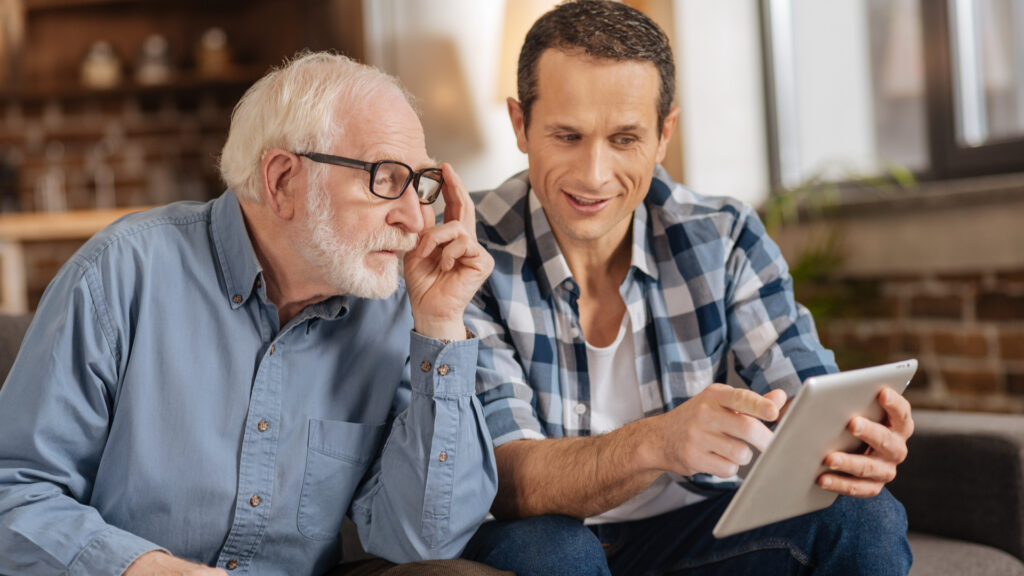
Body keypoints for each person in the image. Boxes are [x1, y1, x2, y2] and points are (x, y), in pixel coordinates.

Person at [0, 52, 506, 576]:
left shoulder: (396, 312)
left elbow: (424, 543)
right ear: (283, 180)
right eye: (385, 178)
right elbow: (14, 492)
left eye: (420, 184)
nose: (415, 219)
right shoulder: (122, 274)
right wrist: (146, 569)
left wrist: (443, 327)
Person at [460, 2, 915, 575]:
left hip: (694, 532)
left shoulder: (722, 236)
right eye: (568, 135)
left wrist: (856, 439)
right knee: (558, 553)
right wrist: (657, 443)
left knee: (867, 518)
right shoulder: (469, 249)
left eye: (625, 138)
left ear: (663, 134)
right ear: (520, 125)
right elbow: (510, 478)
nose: (594, 174)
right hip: (541, 538)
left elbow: (804, 391)